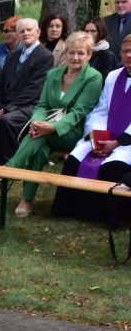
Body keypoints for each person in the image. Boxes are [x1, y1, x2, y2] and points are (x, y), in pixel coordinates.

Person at [5, 32, 103, 217]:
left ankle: (10, 168)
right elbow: (42, 105)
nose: (75, 58)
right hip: (46, 127)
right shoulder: (53, 74)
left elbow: (79, 112)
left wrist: (52, 127)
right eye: (71, 52)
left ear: (89, 55)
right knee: (39, 147)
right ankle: (26, 200)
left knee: (41, 135)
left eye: (81, 53)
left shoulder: (93, 77)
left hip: (73, 130)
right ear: (65, 53)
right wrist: (36, 121)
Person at [53, 36, 131, 225]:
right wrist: (97, 137)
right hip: (105, 137)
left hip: (127, 142)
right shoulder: (113, 76)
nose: (128, 55)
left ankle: (108, 216)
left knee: (114, 166)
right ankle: (71, 210)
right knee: (75, 158)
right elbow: (101, 109)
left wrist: (117, 142)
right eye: (125, 51)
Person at [0, 18, 53, 164]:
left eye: (29, 30)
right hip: (6, 104)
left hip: (30, 105)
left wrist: (6, 109)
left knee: (7, 120)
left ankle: (12, 161)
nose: (25, 33)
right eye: (21, 31)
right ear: (17, 34)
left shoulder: (45, 56)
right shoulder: (13, 57)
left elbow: (34, 89)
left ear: (38, 32)